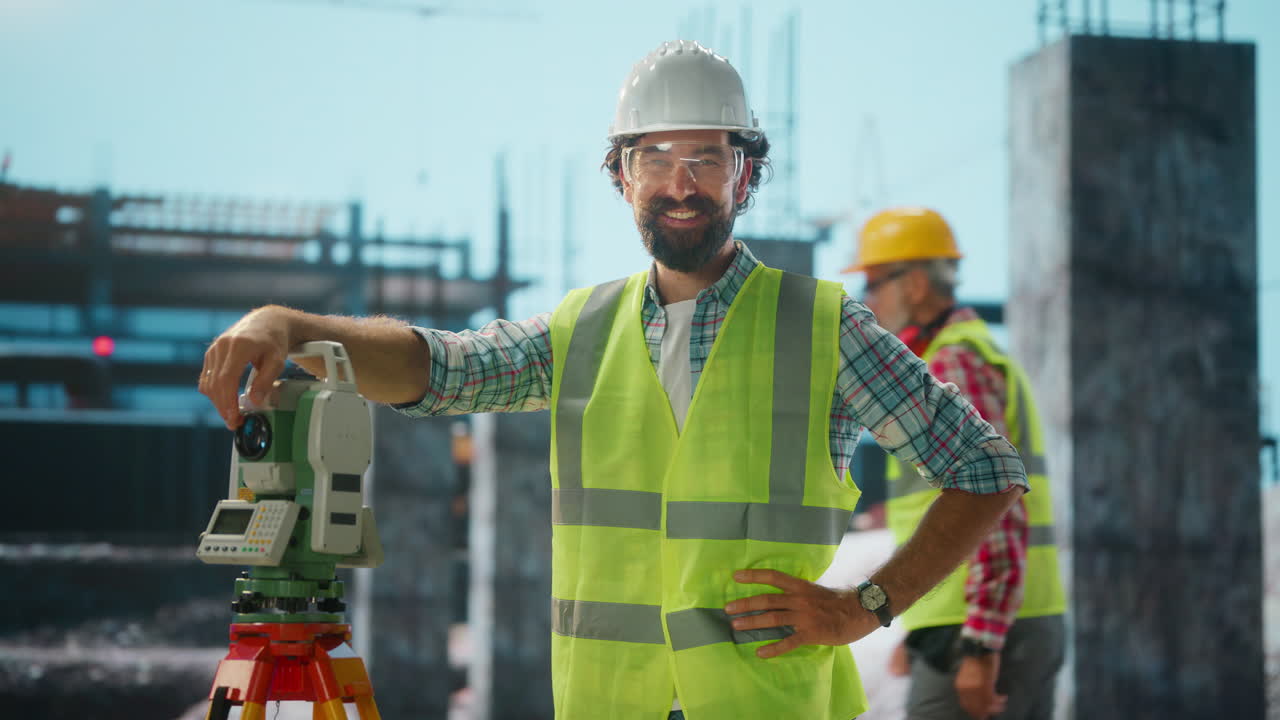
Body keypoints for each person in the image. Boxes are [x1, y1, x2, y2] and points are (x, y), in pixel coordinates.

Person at [198, 41, 1030, 720]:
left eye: (707, 157)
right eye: (655, 156)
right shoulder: (577, 332)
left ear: (744, 176)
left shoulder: (825, 327)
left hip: (765, 705)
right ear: (621, 176)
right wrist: (295, 326)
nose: (681, 182)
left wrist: (863, 607)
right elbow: (438, 369)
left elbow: (985, 470)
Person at [844, 207, 1067, 720]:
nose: (867, 301)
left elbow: (997, 503)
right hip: (980, 622)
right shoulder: (965, 353)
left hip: (985, 629)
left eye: (874, 285)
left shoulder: (954, 361)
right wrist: (920, 625)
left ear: (916, 284)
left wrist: (980, 646)